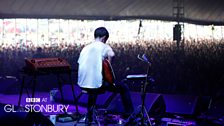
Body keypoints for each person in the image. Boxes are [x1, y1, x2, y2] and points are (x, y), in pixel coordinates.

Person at [77, 27, 134, 121]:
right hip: (97, 85)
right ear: (104, 38)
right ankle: (129, 115)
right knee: (123, 87)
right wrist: (109, 65)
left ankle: (89, 117)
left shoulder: (85, 48)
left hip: (82, 85)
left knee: (92, 90)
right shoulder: (104, 46)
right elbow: (112, 55)